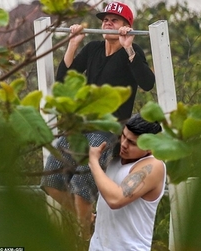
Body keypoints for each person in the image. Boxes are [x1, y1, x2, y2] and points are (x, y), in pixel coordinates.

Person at [40, 1, 155, 239]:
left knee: (81, 188)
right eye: (105, 20)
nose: (107, 23)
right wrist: (72, 44)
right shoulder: (92, 48)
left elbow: (147, 83)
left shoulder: (131, 52)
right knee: (50, 181)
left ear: (126, 26)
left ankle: (83, 240)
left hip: (109, 129)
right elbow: (63, 81)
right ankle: (90, 219)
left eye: (114, 20)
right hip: (82, 127)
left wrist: (129, 48)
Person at [88, 113, 166, 251]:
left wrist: (93, 161)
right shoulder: (115, 159)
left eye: (132, 143)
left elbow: (116, 199)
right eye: (124, 136)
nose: (124, 144)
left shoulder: (153, 166)